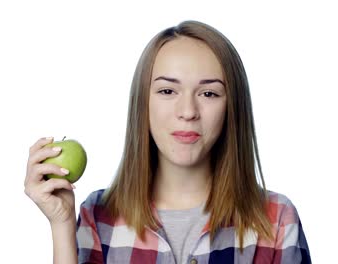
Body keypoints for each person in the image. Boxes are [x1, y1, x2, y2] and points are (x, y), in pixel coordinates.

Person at [24, 20, 311, 264]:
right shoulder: (99, 216)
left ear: (232, 108)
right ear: (143, 104)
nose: (187, 112)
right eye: (167, 90)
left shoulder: (277, 221)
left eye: (209, 94)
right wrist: (61, 224)